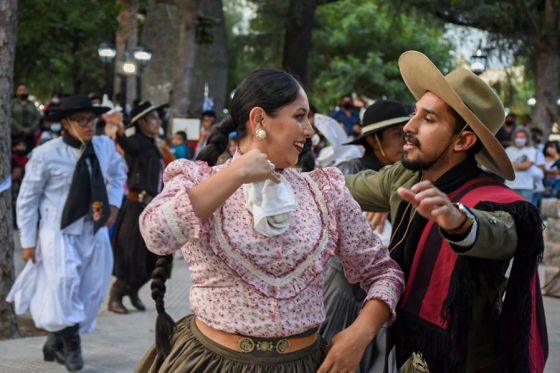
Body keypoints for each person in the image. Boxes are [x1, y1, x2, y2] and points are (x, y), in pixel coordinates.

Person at [135, 69, 404, 373]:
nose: (309, 131)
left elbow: (383, 272)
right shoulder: (199, 179)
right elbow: (156, 234)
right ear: (259, 120)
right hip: (211, 363)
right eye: (300, 116)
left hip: (304, 364)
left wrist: (359, 334)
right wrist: (235, 174)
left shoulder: (325, 191)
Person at [346, 51, 548, 372]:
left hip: (467, 358)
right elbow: (346, 187)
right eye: (414, 114)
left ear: (463, 140)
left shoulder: (492, 199)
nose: (409, 127)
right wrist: (272, 169)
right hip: (406, 347)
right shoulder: (406, 175)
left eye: (428, 119)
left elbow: (501, 231)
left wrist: (459, 222)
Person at [9, 96, 127, 371]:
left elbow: (118, 173)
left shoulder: (104, 146)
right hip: (57, 231)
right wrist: (28, 241)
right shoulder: (46, 154)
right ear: (65, 123)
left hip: (93, 228)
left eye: (92, 119)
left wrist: (113, 204)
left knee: (91, 289)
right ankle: (72, 348)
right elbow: (27, 200)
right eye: (81, 120)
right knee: (64, 283)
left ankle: (54, 341)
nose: (89, 125)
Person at [321, 100, 409, 373]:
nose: (405, 142)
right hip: (346, 287)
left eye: (407, 134)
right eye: (397, 135)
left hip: (390, 290)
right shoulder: (349, 171)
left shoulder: (409, 174)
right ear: (374, 140)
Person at [108, 101, 174, 314]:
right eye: (153, 118)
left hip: (154, 207)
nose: (157, 121)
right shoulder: (136, 141)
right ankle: (116, 296)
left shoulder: (155, 143)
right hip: (136, 207)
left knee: (154, 259)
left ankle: (133, 291)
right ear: (142, 122)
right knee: (131, 255)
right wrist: (119, 129)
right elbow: (127, 144)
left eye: (157, 117)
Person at [504, 127, 539, 202]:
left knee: (526, 211)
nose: (519, 139)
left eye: (522, 137)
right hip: (510, 186)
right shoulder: (508, 150)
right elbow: (505, 167)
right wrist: (522, 165)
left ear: (527, 139)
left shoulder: (531, 150)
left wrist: (512, 165)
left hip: (526, 187)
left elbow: (526, 166)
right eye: (518, 137)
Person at [11, 84, 41, 150]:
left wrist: (31, 129)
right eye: (20, 90)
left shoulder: (32, 104)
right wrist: (20, 129)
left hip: (30, 136)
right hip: (16, 136)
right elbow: (10, 118)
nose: (22, 92)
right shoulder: (12, 104)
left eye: (24, 90)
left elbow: (37, 118)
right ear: (16, 92)